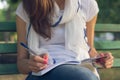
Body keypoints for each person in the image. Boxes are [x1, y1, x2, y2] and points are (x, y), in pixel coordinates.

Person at [16, 0, 114, 80]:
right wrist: (31, 64)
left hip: (79, 65)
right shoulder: (27, 7)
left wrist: (100, 58)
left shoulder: (87, 4)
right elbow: (21, 63)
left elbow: (89, 49)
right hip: (43, 72)